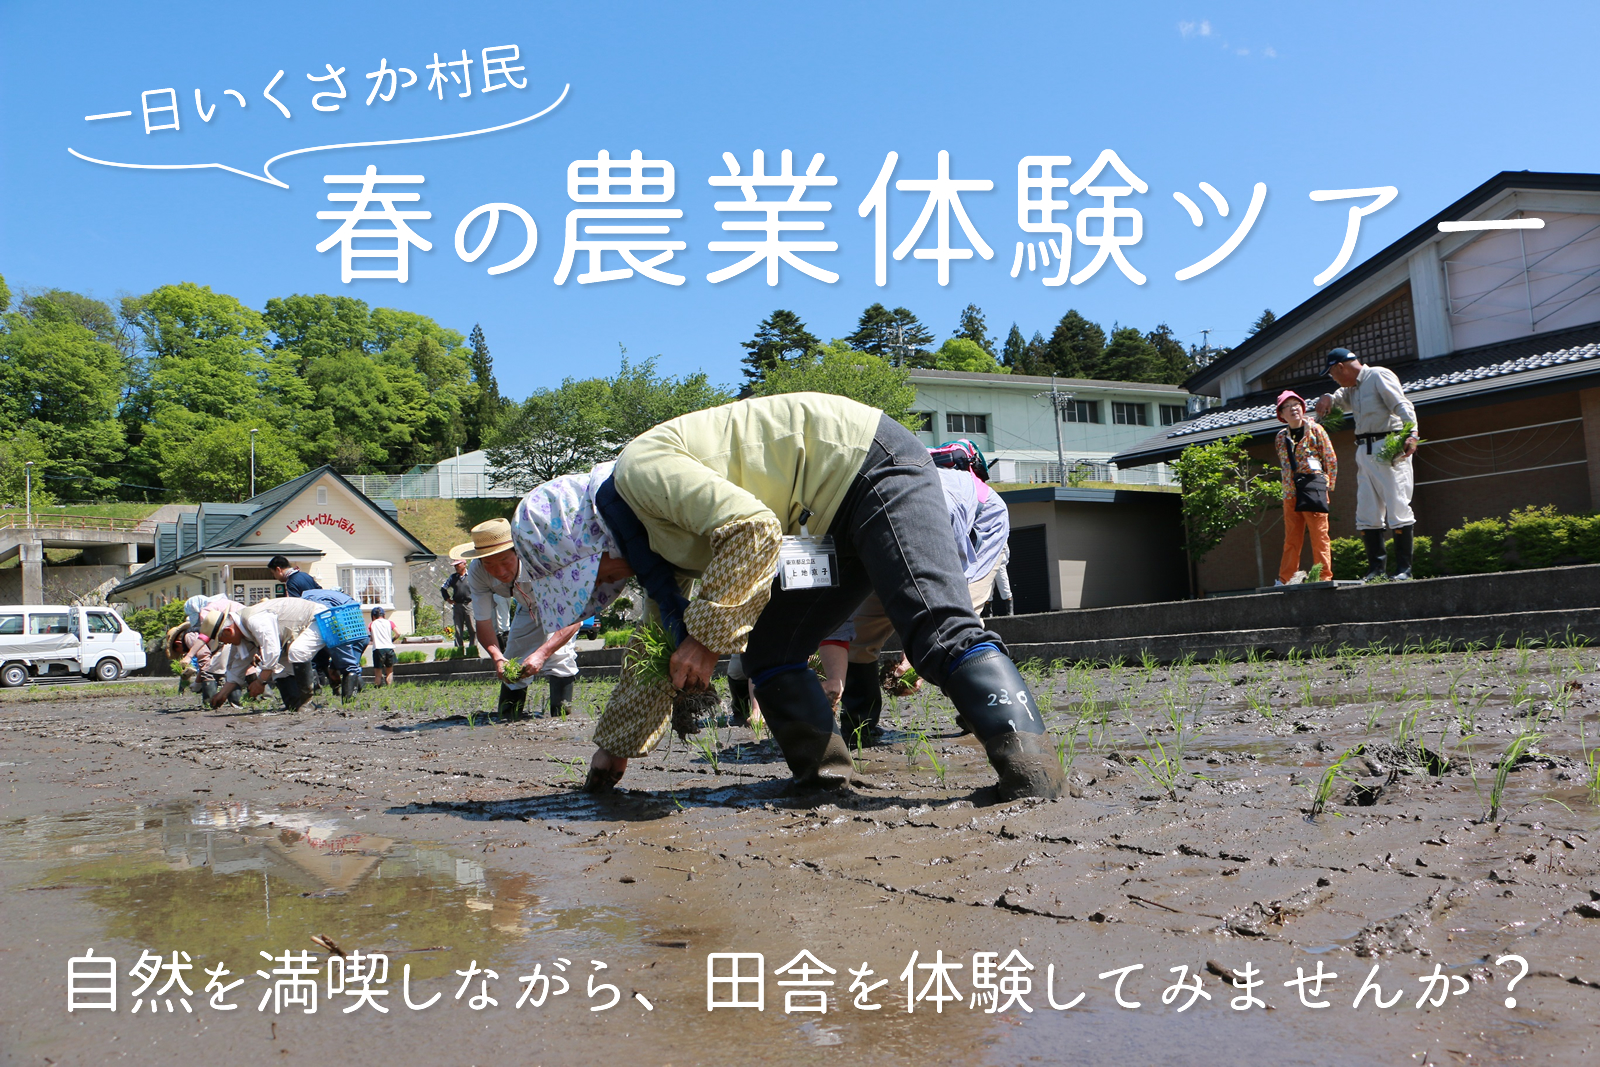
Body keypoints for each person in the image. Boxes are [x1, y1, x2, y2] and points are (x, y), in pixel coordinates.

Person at [506, 393, 1065, 801]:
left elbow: (750, 528)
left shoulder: (641, 472)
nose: (605, 583)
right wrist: (616, 749)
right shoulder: (649, 546)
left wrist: (704, 638)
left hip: (869, 464)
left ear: (589, 540)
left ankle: (1035, 778)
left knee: (937, 629)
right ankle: (825, 782)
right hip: (817, 525)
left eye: (592, 574)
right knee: (770, 652)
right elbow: (657, 644)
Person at [834, 445, 1012, 746]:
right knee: (861, 631)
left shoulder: (936, 506)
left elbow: (942, 594)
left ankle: (983, 715)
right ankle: (858, 724)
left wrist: (914, 659)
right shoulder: (856, 508)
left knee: (958, 625)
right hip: (894, 537)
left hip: (979, 523)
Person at [452, 517, 582, 719]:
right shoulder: (477, 571)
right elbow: (484, 621)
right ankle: (508, 718)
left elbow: (575, 617)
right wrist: (497, 657)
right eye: (490, 564)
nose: (499, 572)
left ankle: (561, 719)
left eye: (505, 561)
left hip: (561, 606)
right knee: (513, 656)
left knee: (560, 656)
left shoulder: (544, 558)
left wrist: (542, 653)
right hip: (527, 606)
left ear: (518, 552)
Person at [1314, 347, 1420, 580]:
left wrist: (1412, 433)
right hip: (1363, 449)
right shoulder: (1352, 388)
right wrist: (1327, 397)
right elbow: (1337, 401)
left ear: (1340, 367)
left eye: (1332, 373)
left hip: (1388, 445)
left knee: (1398, 505)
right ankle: (1376, 570)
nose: (1333, 378)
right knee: (1367, 510)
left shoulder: (1378, 375)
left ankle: (1404, 569)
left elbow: (1402, 404)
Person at [199, 597, 332, 711]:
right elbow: (238, 666)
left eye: (222, 640)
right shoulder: (242, 635)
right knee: (281, 670)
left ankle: (306, 704)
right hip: (292, 634)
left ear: (228, 631)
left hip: (317, 618)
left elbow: (272, 651)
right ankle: (296, 705)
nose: (226, 644)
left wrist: (260, 681)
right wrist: (222, 694)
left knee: (298, 651)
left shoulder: (255, 620)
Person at [1273, 390, 1338, 585]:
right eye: (1288, 406)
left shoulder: (1316, 430)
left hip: (1313, 489)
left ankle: (1323, 576)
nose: (1293, 408)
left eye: (1297, 404)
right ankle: (1287, 579)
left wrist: (1327, 486)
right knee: (1291, 539)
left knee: (1319, 536)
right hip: (1291, 492)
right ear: (1281, 414)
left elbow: (1330, 459)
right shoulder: (1280, 437)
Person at [441, 559, 473, 654]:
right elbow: (443, 588)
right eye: (455, 566)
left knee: (472, 629)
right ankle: (459, 650)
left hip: (469, 604)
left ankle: (472, 649)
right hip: (457, 605)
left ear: (464, 564)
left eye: (457, 565)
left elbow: (479, 588)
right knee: (458, 629)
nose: (456, 567)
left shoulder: (471, 576)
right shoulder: (453, 577)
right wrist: (448, 599)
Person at [369, 606, 396, 687]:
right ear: (384, 615)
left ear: (373, 616)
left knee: (378, 673)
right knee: (390, 671)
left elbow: (370, 637)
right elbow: (398, 633)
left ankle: (377, 688)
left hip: (378, 649)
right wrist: (392, 640)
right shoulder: (390, 622)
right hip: (389, 648)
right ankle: (389, 687)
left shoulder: (371, 624)